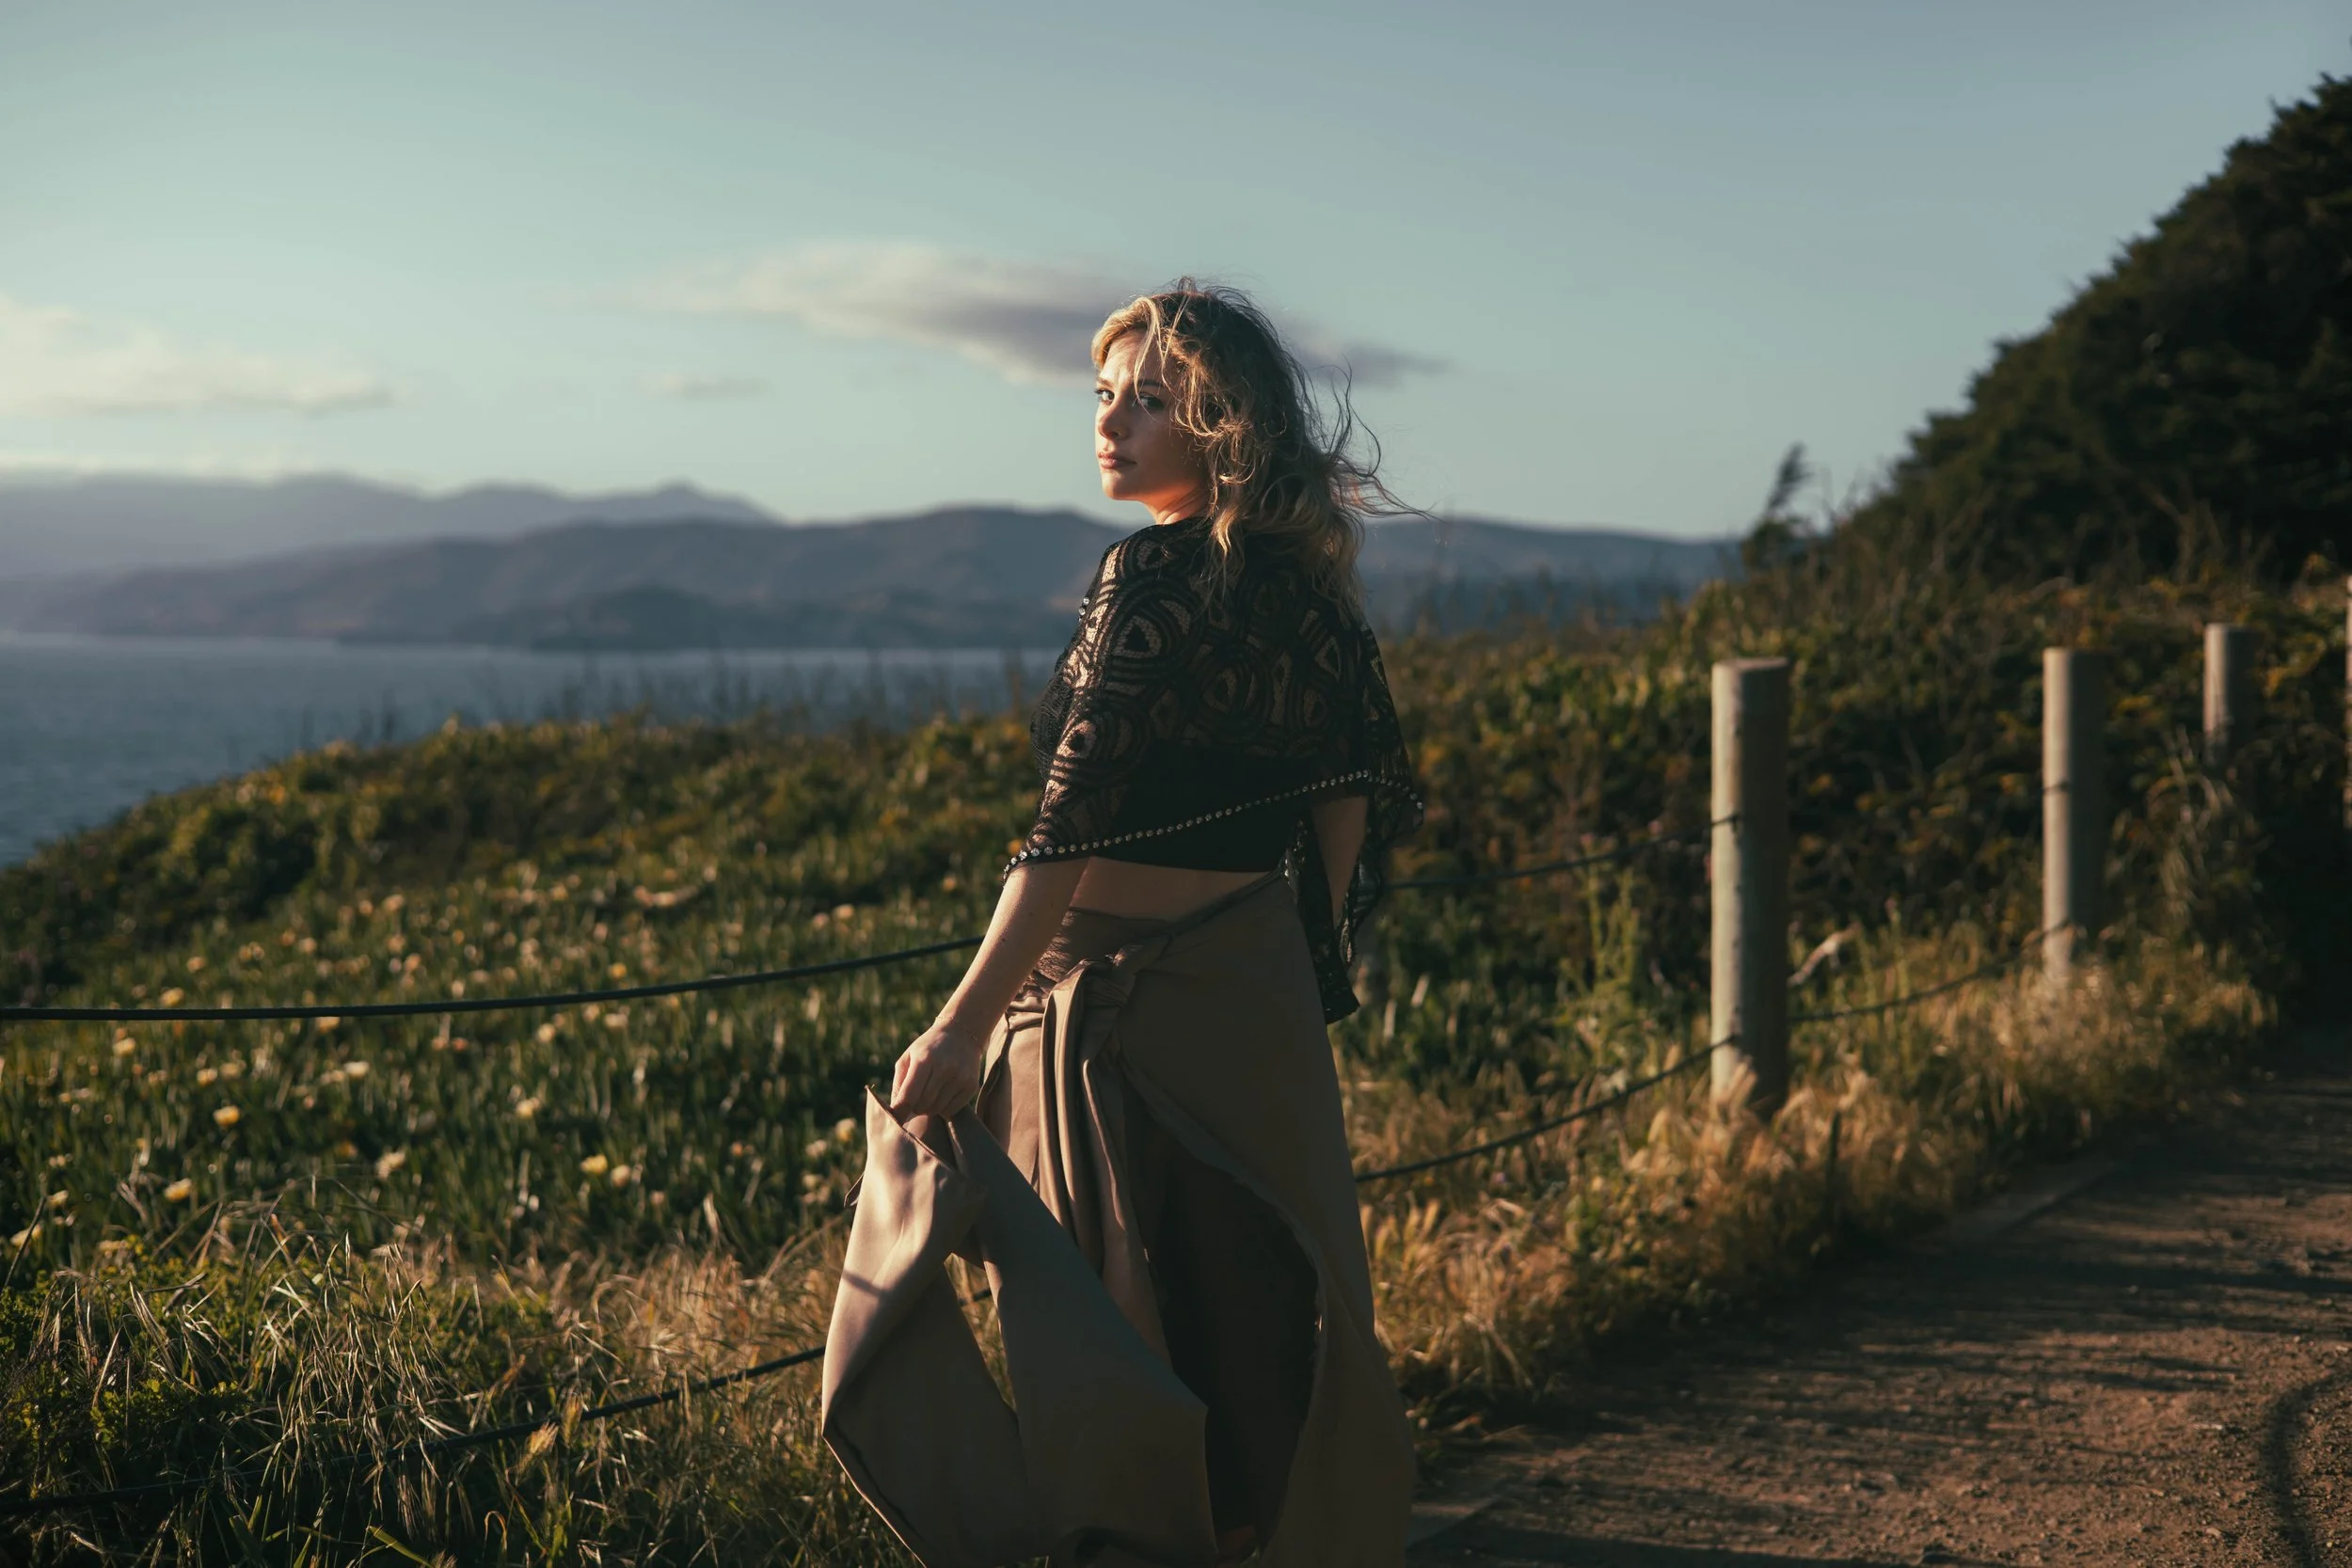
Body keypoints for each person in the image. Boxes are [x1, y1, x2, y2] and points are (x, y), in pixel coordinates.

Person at [821, 282, 1422, 1568]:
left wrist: (957, 1026)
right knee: (1262, 1323)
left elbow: (1064, 835)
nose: (1112, 424)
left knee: (1117, 1349)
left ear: (1223, 421)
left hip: (1104, 1020)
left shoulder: (1145, 579)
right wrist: (1288, 975)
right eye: (1104, 396)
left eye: (1150, 399)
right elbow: (1349, 805)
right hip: (1249, 1000)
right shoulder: (1312, 599)